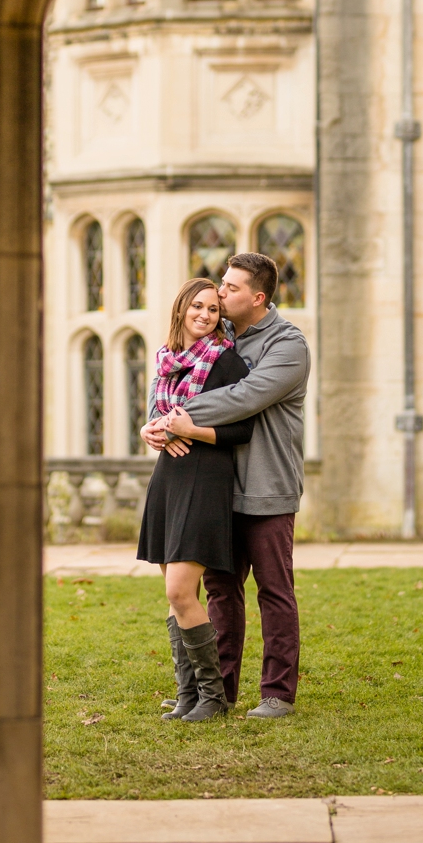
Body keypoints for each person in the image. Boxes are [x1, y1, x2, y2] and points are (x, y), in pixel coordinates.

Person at [146, 251, 312, 719]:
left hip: (266, 484)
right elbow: (170, 377)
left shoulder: (288, 345)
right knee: (221, 591)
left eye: (231, 288)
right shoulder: (219, 339)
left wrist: (175, 420)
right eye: (221, 284)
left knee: (274, 590)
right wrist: (153, 423)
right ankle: (215, 689)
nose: (219, 293)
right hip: (217, 488)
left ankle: (277, 693)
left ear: (257, 297)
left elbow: (245, 398)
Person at [137, 278, 257, 723]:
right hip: (170, 476)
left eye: (213, 309)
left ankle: (213, 696)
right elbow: (156, 416)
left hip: (206, 478)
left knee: (181, 590)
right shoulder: (167, 363)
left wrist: (191, 432)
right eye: (198, 307)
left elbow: (242, 431)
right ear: (182, 309)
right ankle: (188, 694)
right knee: (174, 597)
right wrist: (151, 430)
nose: (205, 316)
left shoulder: (226, 362)